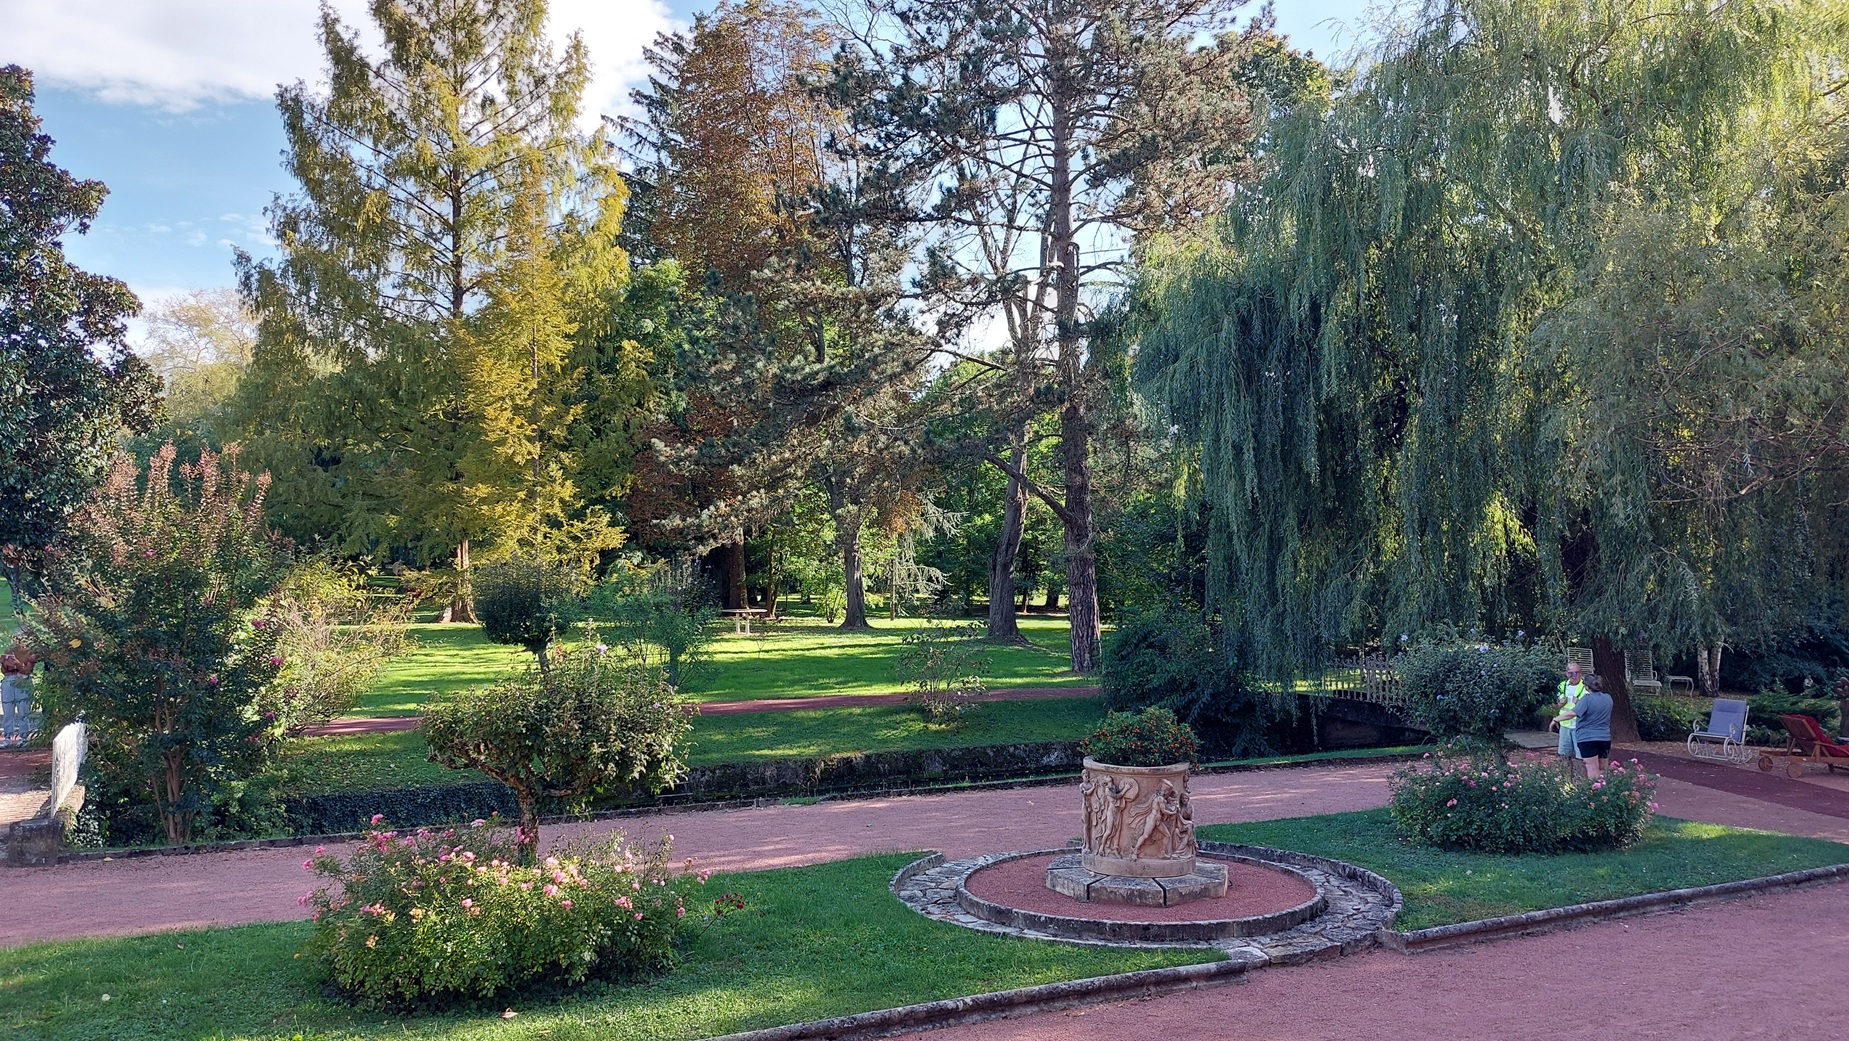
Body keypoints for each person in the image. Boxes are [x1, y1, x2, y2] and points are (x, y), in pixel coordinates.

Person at [1549, 661, 1586, 764]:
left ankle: (1580, 778)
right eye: (1570, 673)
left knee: (1581, 757)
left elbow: (1590, 707)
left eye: (1576, 673)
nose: (1573, 676)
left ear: (1580, 673)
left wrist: (1579, 703)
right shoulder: (1561, 686)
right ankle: (1565, 778)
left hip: (1579, 726)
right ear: (1566, 674)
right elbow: (1553, 705)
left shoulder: (1585, 686)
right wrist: (1559, 704)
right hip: (1564, 725)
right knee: (1564, 755)